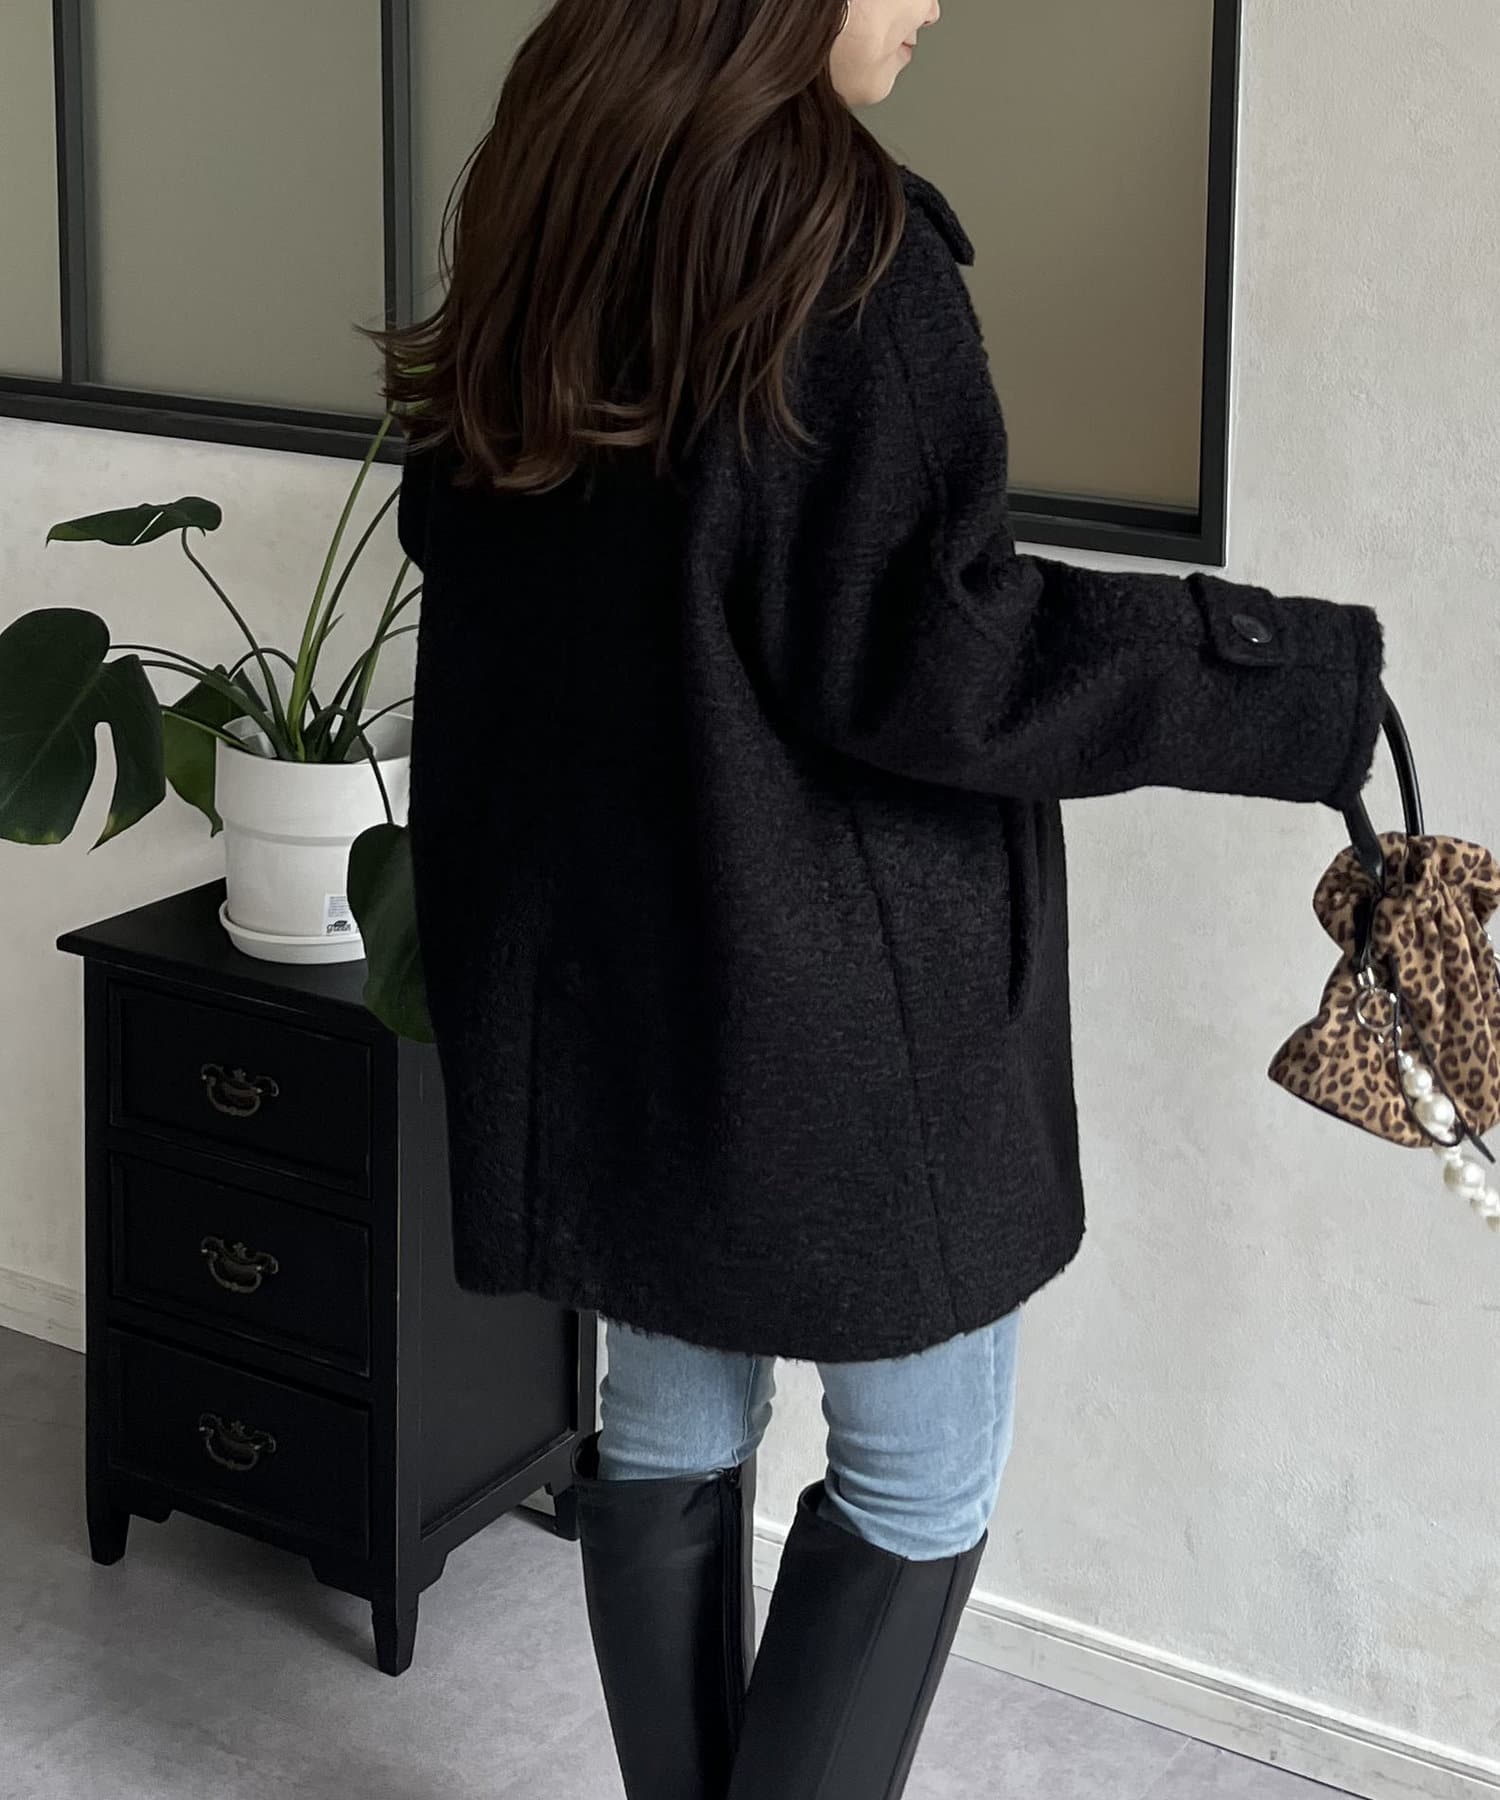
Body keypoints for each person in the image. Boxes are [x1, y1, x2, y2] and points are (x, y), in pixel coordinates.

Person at [372, 0, 1388, 1793]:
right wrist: (1275, 675)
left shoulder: (556, 186)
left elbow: (485, 554)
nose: (935, 4)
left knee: (669, 1415)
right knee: (919, 1471)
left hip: (605, 972)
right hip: (841, 1003)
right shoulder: (840, 245)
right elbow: (937, 657)